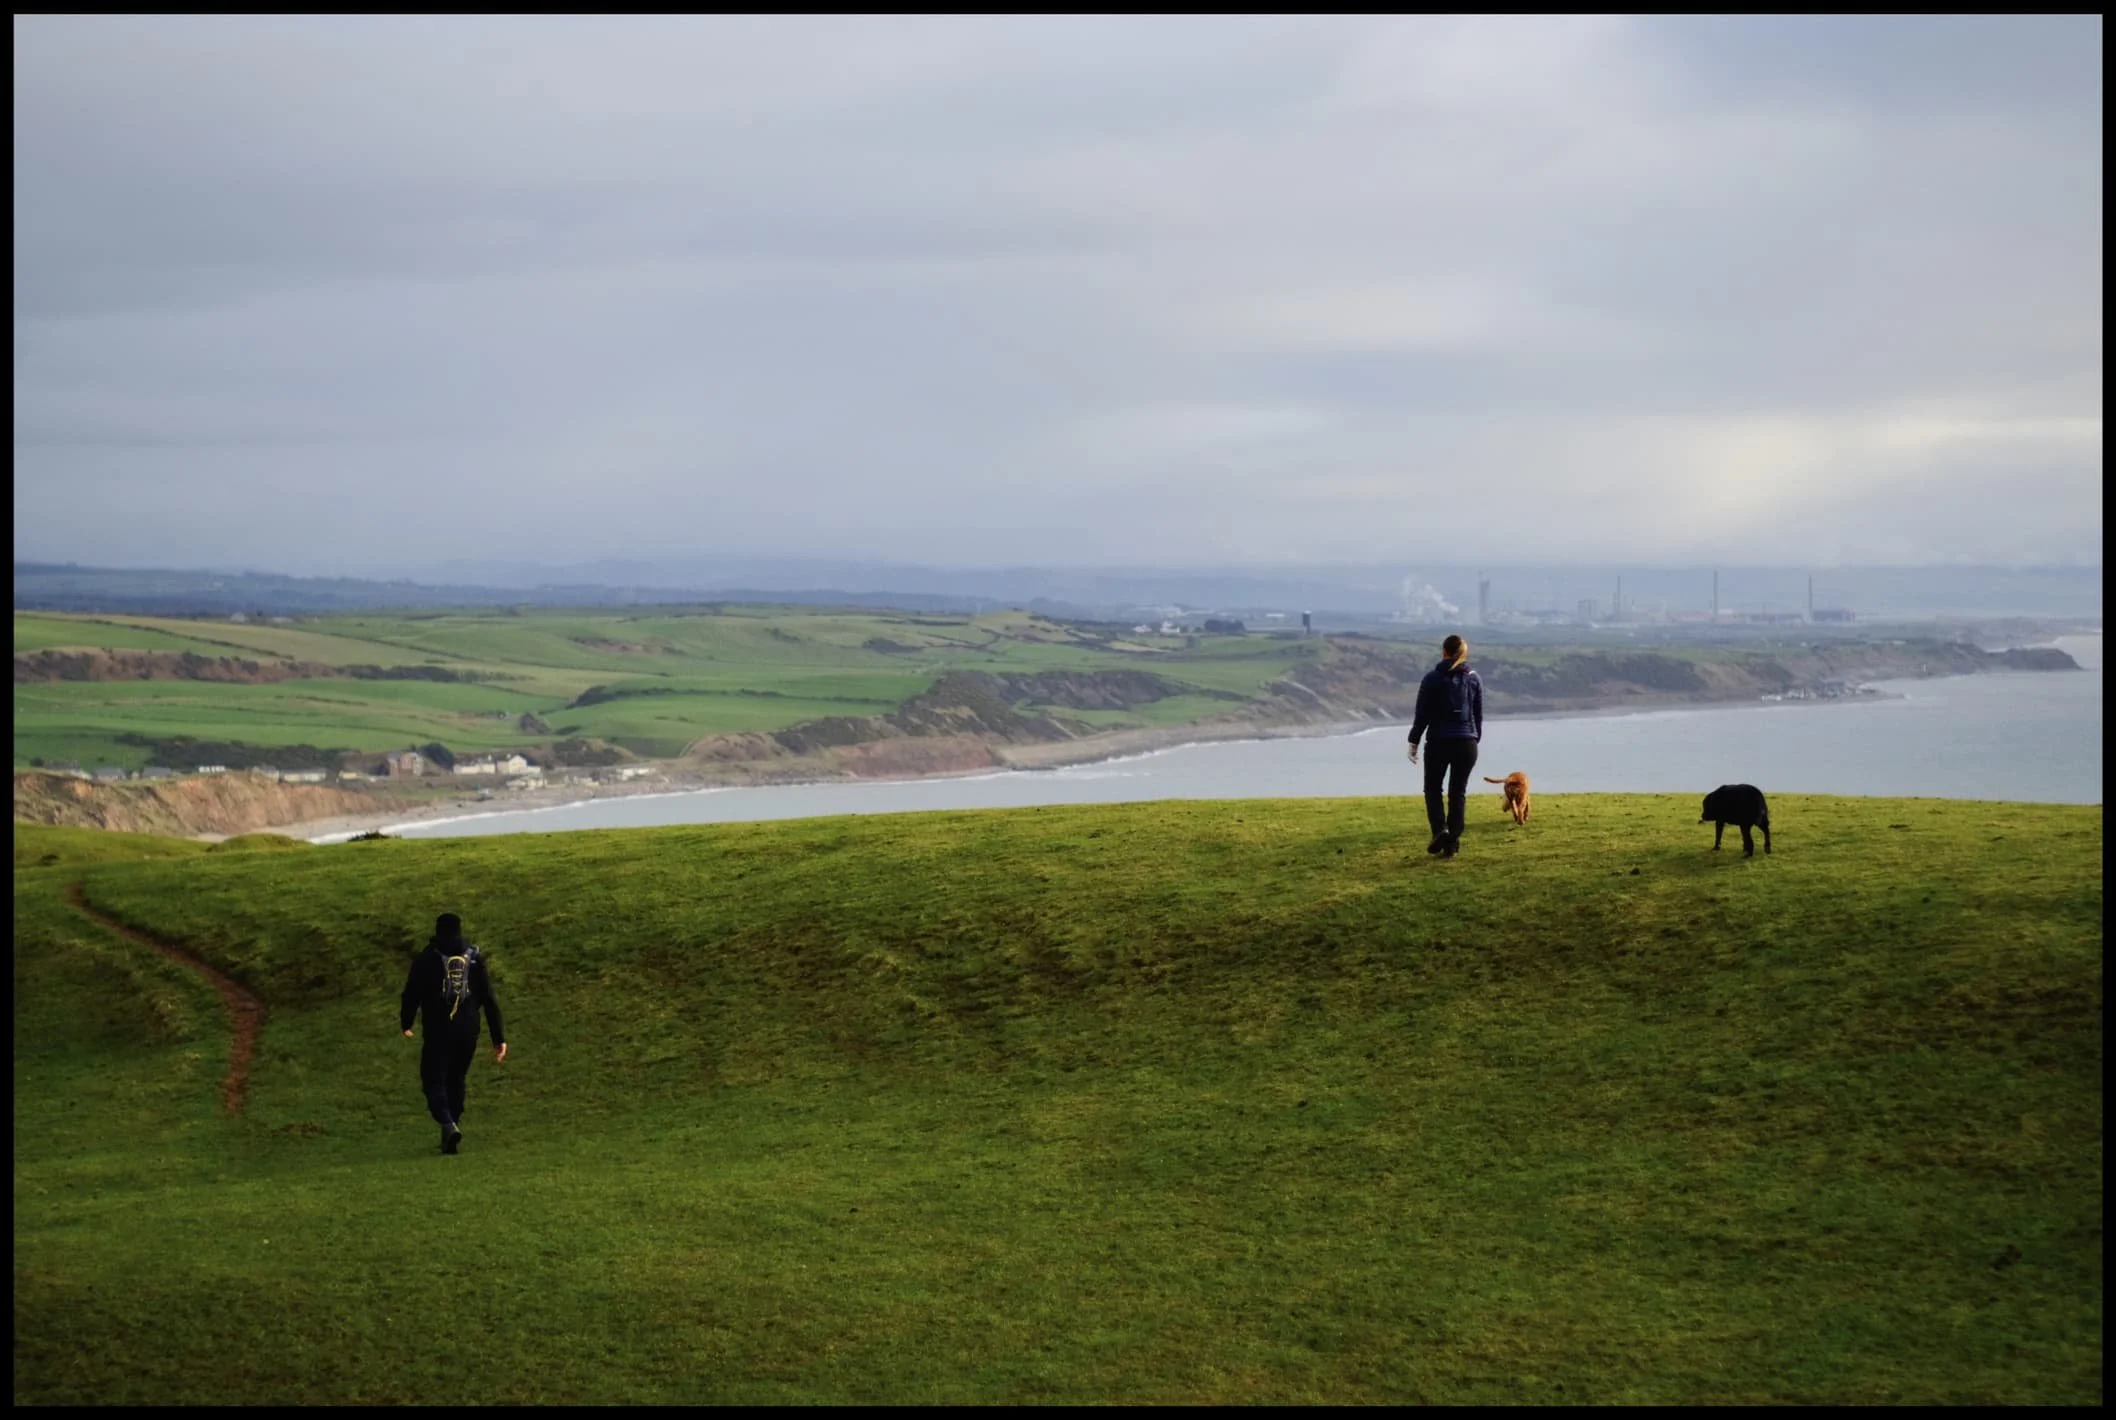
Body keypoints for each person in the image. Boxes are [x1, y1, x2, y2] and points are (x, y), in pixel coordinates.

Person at [400, 912, 506, 1155]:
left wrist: (406, 1022)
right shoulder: (475, 958)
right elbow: (489, 999)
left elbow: (411, 993)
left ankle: (448, 1124)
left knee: (433, 1079)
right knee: (456, 1079)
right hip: (469, 1030)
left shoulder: (427, 958)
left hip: (438, 1030)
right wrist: (498, 1037)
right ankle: (451, 1128)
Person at [1406, 633, 1484, 858]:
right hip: (1467, 743)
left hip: (1439, 741)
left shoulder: (1432, 678)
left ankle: (1441, 830)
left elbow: (1422, 715)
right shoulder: (1473, 678)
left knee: (1433, 789)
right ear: (1463, 653)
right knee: (1457, 792)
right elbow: (1478, 716)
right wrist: (1474, 739)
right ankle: (1452, 842)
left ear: (1444, 652)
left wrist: (1414, 741)